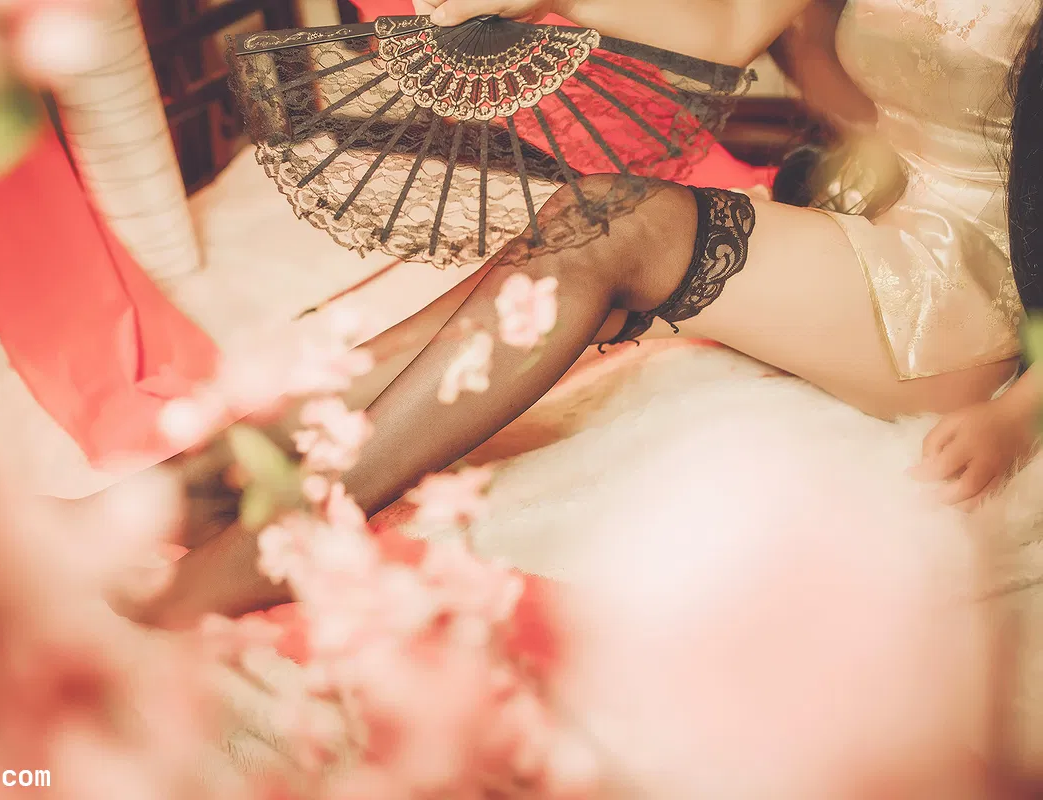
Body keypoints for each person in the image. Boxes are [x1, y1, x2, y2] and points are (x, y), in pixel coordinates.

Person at [135, 0, 1043, 627]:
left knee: (616, 226)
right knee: (558, 254)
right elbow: (729, 23)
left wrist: (1017, 416)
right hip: (870, 222)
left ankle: (260, 553)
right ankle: (195, 485)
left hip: (973, 295)